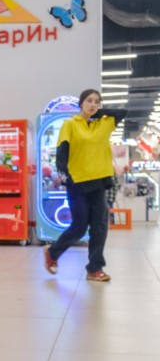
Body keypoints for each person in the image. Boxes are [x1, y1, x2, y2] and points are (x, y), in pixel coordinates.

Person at [43, 89, 126, 282]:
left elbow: (123, 112)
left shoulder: (105, 123)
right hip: (78, 183)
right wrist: (66, 178)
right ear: (81, 103)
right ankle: (52, 253)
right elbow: (61, 155)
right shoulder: (70, 125)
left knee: (99, 226)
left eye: (97, 101)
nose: (93, 104)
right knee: (79, 227)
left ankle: (94, 268)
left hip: (99, 182)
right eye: (89, 101)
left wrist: (99, 113)